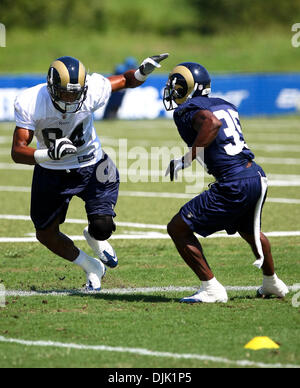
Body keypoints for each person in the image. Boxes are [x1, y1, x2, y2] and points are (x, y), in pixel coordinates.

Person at [11, 53, 168, 291]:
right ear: (51, 86)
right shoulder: (30, 101)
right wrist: (48, 154)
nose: (70, 98)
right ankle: (91, 266)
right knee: (45, 234)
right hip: (52, 171)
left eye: (75, 92)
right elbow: (17, 151)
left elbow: (125, 81)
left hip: (92, 165)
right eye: (64, 92)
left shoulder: (93, 89)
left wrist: (141, 72)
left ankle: (95, 236)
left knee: (103, 226)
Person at [163, 62, 289, 303]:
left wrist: (187, 158)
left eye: (177, 86)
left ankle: (211, 288)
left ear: (188, 89)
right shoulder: (225, 104)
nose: (172, 91)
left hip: (234, 182)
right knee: (249, 230)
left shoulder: (187, 110)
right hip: (256, 176)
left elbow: (212, 123)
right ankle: (272, 282)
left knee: (178, 228)